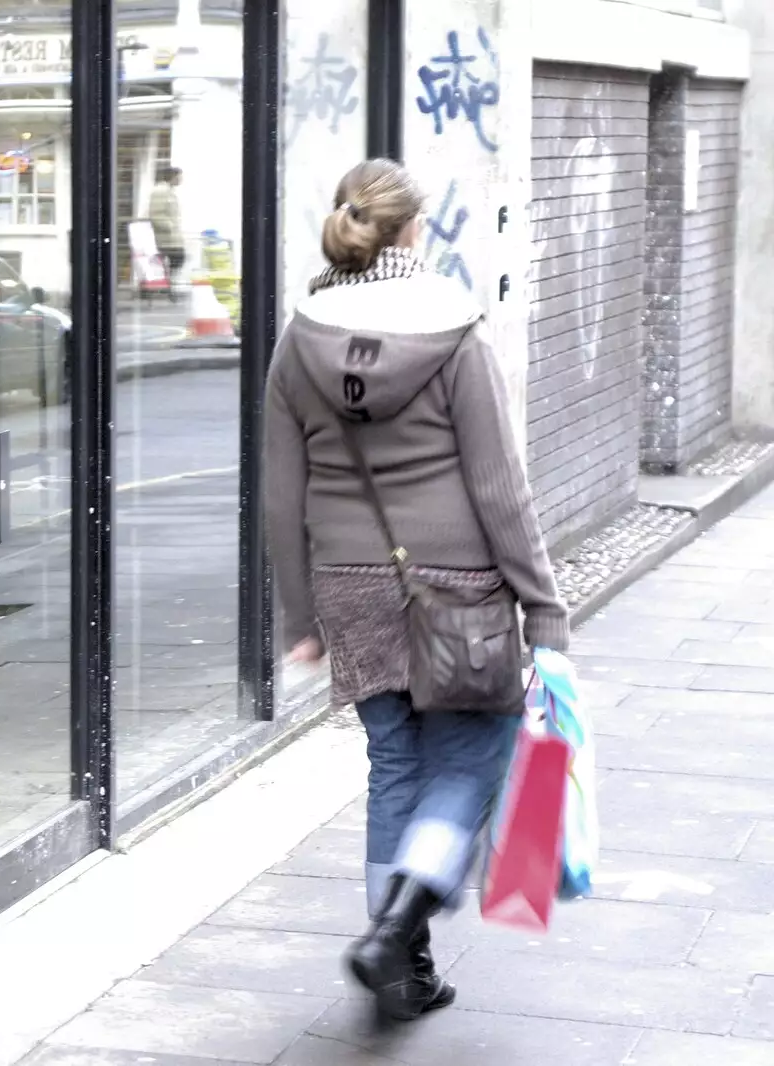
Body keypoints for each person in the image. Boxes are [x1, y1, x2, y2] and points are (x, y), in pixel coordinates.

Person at [263, 159, 568, 1022]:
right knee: (472, 759)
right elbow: (499, 486)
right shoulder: (453, 333)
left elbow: (282, 497)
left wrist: (301, 614)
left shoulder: (299, 342)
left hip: (349, 584)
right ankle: (397, 928)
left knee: (394, 761)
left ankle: (402, 963)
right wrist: (543, 605)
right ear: (410, 232)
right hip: (460, 584)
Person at [148, 166, 185, 281]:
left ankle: (169, 287)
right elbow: (155, 214)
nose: (181, 179)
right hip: (166, 238)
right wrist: (170, 226)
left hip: (171, 238)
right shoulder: (160, 191)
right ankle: (168, 287)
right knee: (177, 259)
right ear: (172, 177)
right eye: (179, 176)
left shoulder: (169, 190)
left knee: (173, 263)